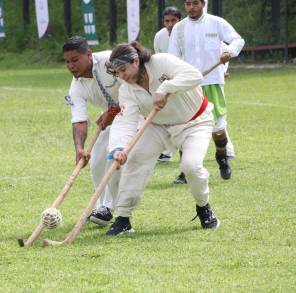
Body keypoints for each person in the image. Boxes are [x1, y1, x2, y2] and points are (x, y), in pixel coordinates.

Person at [104, 42, 220, 236]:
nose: (122, 76)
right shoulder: (127, 89)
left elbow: (195, 76)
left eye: (124, 70)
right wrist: (118, 148)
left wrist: (165, 88)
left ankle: (203, 207)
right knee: (135, 160)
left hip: (194, 122)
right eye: (117, 73)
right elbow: (126, 120)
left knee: (190, 166)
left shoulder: (162, 62)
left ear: (136, 61)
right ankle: (123, 219)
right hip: (157, 127)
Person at [168, 0, 245, 180]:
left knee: (218, 128)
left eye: (195, 3)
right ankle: (185, 171)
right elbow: (172, 57)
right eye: (187, 4)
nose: (191, 7)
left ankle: (222, 158)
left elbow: (238, 40)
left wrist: (230, 52)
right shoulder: (179, 29)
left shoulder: (216, 22)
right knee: (185, 126)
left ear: (203, 4)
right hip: (188, 85)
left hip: (212, 82)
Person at [63, 36, 123, 226]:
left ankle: (110, 207)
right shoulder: (75, 87)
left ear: (89, 55)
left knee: (115, 155)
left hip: (137, 111)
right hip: (111, 117)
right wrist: (80, 148)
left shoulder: (110, 61)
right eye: (66, 62)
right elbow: (79, 120)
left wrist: (113, 111)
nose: (71, 66)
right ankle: (101, 206)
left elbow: (133, 84)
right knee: (97, 160)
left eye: (74, 60)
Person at [153, 6, 182, 164]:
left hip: (186, 80)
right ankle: (166, 151)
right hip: (168, 80)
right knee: (167, 114)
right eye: (167, 21)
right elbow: (158, 59)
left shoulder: (187, 33)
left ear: (180, 20)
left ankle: (226, 148)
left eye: (174, 20)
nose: (170, 24)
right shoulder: (159, 36)